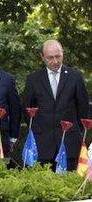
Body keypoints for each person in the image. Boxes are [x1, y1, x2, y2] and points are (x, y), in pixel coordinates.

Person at [22, 39, 90, 170]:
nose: (55, 61)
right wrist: (39, 129)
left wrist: (75, 130)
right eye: (50, 58)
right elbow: (27, 110)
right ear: (42, 57)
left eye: (58, 56)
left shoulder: (75, 77)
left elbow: (83, 108)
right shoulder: (33, 79)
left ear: (63, 53)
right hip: (42, 144)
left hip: (69, 143)